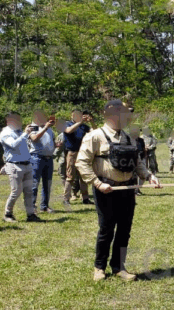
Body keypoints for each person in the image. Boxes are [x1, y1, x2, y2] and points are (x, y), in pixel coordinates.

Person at [76, 99, 161, 282]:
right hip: (105, 190)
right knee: (106, 229)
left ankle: (118, 267)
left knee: (124, 230)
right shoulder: (95, 136)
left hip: (127, 190)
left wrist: (149, 176)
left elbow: (137, 163)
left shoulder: (129, 138)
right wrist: (97, 184)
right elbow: (82, 163)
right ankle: (99, 267)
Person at [0, 113, 41, 222]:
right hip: (14, 165)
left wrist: (26, 134)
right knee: (16, 191)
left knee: (29, 192)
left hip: (27, 165)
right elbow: (13, 144)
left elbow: (25, 147)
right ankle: (8, 214)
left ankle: (30, 214)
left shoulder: (20, 132)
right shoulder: (5, 133)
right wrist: (25, 134)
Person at [27, 110, 57, 213]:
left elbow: (52, 141)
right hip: (37, 158)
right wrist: (45, 128)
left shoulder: (50, 130)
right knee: (35, 183)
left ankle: (44, 206)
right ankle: (32, 206)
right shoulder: (33, 127)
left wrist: (56, 145)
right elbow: (34, 138)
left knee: (47, 183)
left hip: (49, 159)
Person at [63, 109, 92, 205]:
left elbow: (94, 132)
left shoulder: (84, 126)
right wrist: (80, 122)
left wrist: (92, 122)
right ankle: (66, 199)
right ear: (71, 116)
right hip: (72, 153)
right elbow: (68, 131)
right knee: (70, 176)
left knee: (83, 176)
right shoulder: (67, 124)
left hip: (83, 153)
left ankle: (85, 198)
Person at [130, 125, 147, 196]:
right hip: (132, 159)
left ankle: (137, 188)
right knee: (134, 176)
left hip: (141, 158)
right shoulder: (129, 140)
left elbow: (144, 149)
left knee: (143, 175)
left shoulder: (141, 140)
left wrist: (144, 157)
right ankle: (134, 190)